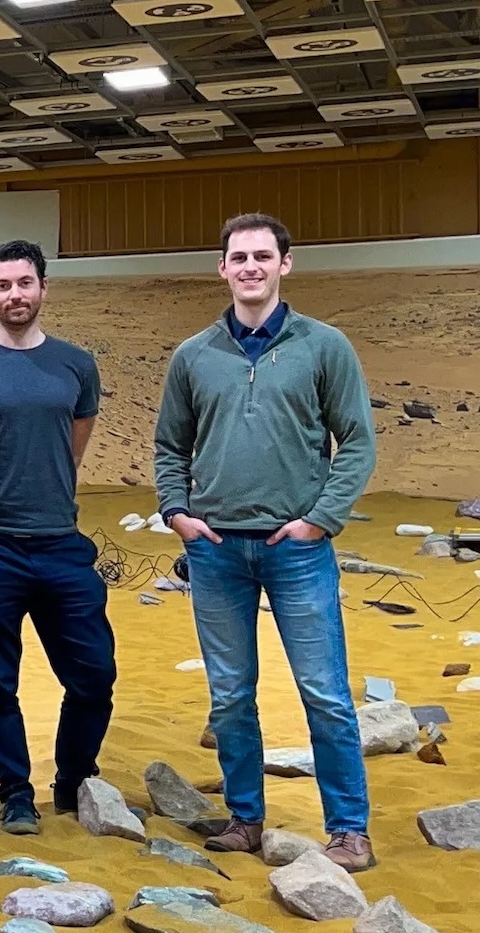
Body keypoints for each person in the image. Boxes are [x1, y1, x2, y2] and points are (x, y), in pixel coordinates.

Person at [154, 213, 377, 872]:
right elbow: (170, 443)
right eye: (237, 257)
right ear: (221, 269)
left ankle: (349, 828)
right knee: (229, 694)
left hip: (297, 549)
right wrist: (176, 512)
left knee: (326, 692)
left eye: (261, 256)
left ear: (285, 264)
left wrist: (321, 518)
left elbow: (357, 439)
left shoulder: (324, 347)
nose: (249, 266)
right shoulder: (194, 355)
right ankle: (245, 817)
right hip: (216, 549)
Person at [0, 240, 116, 836]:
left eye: (25, 283)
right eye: (3, 285)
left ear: (43, 288)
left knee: (93, 674)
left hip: (61, 542)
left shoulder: (75, 365)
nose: (15, 294)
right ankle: (15, 791)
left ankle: (73, 778)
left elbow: (73, 444)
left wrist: (43, 495)